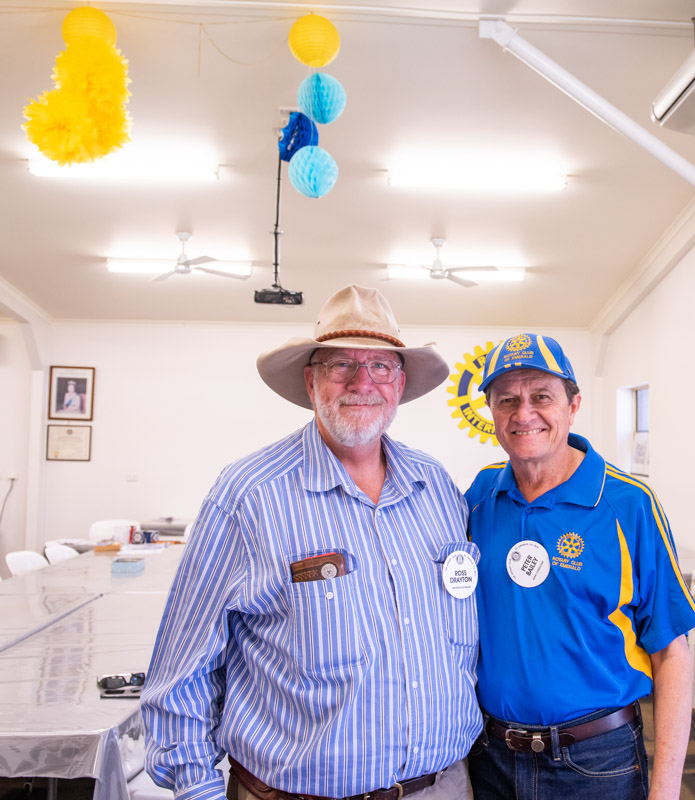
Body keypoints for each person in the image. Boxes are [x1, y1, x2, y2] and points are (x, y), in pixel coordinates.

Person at [141, 285, 481, 800]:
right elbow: (182, 668)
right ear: (310, 380)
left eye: (381, 366)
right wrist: (196, 786)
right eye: (340, 364)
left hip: (444, 787)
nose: (362, 382)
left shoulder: (437, 488)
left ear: (401, 382)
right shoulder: (247, 495)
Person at [465, 333, 695, 800]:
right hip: (490, 755)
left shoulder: (628, 504)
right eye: (507, 399)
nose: (523, 413)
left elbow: (672, 652)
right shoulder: (480, 497)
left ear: (573, 406)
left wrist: (667, 790)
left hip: (596, 762)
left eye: (541, 397)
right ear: (491, 412)